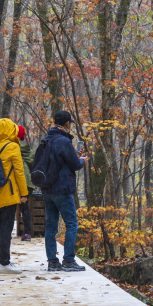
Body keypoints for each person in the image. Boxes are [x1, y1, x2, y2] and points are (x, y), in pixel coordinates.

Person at [38, 110, 87, 272]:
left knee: (51, 227)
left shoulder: (46, 139)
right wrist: (82, 160)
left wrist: (74, 156)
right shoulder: (64, 141)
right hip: (62, 189)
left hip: (46, 188)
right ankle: (68, 261)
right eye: (70, 122)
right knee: (72, 224)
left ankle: (52, 262)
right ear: (67, 123)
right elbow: (75, 164)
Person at [0, 118, 28, 274]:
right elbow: (19, 172)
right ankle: (5, 262)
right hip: (8, 193)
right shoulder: (13, 147)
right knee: (6, 228)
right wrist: (24, 193)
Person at [17, 125, 34, 241]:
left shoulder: (11, 147)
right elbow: (33, 162)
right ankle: (27, 232)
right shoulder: (27, 148)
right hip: (27, 181)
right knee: (24, 207)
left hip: (15, 180)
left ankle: (5, 232)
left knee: (10, 206)